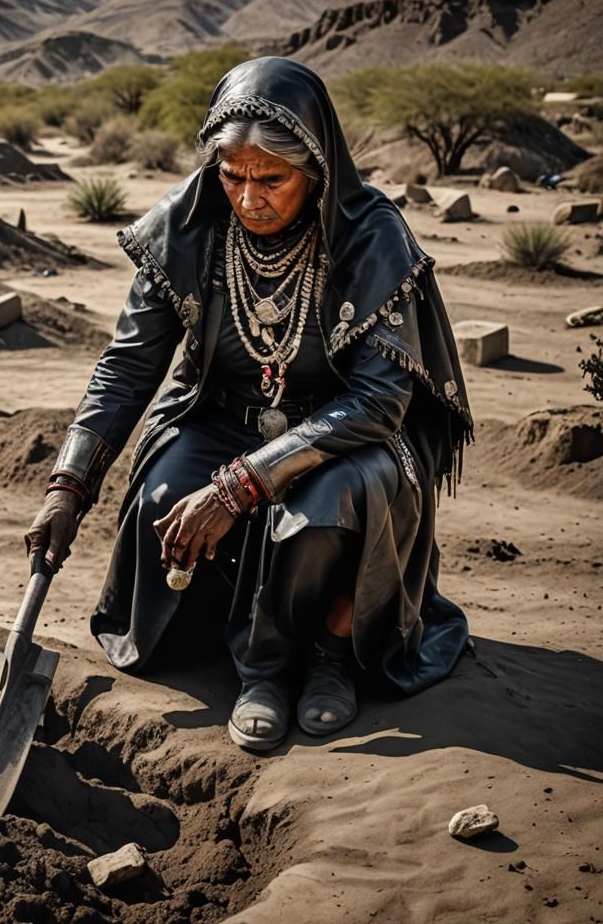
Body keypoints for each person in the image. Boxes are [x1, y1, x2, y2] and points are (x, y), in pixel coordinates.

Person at [24, 57, 473, 752]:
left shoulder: (370, 236)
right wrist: (67, 484)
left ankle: (320, 655)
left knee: (320, 512)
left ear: (317, 171)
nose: (248, 196)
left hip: (350, 436)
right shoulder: (188, 225)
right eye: (232, 175)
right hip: (221, 417)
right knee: (166, 494)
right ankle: (246, 649)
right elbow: (126, 368)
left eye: (272, 178)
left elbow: (379, 403)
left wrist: (240, 486)